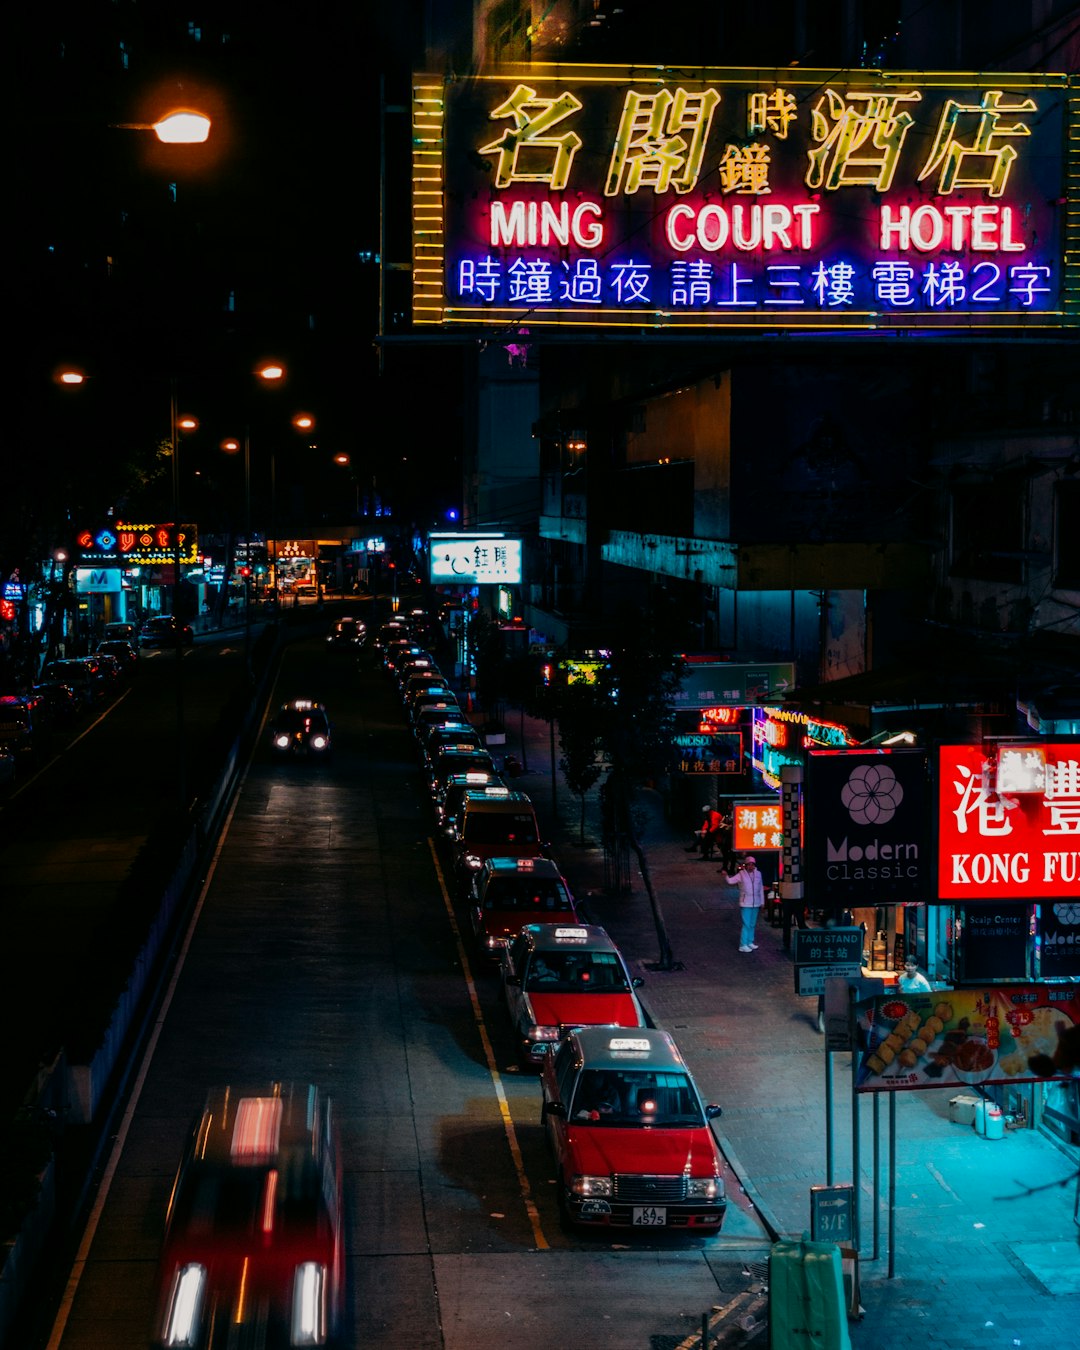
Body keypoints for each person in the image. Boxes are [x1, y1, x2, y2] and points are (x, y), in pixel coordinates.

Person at [720, 855, 766, 952]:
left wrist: (762, 902)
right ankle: (743, 944)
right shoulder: (741, 874)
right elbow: (730, 881)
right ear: (746, 865)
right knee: (746, 924)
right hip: (746, 903)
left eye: (752, 865)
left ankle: (750, 942)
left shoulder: (758, 874)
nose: (751, 866)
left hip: (756, 903)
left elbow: (760, 888)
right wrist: (726, 876)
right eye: (749, 864)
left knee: (752, 924)